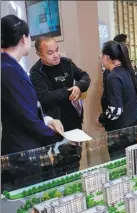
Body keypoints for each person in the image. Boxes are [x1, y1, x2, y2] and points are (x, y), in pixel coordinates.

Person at [1, 15, 64, 190]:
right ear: (23, 38)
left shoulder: (10, 66)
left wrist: (48, 120)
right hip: (23, 154)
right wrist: (58, 136)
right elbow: (26, 118)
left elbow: (26, 108)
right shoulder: (8, 70)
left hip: (21, 150)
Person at [30, 36, 91, 131]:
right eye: (50, 53)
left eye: (57, 50)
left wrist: (78, 86)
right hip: (54, 123)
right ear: (39, 54)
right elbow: (44, 96)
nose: (56, 55)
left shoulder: (66, 62)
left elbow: (85, 76)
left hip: (74, 118)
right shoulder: (36, 72)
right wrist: (69, 91)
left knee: (77, 144)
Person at [97, 41, 137, 159]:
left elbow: (115, 110)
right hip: (133, 128)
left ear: (106, 57)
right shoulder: (128, 72)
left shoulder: (113, 77)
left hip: (120, 133)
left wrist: (102, 119)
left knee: (119, 166)